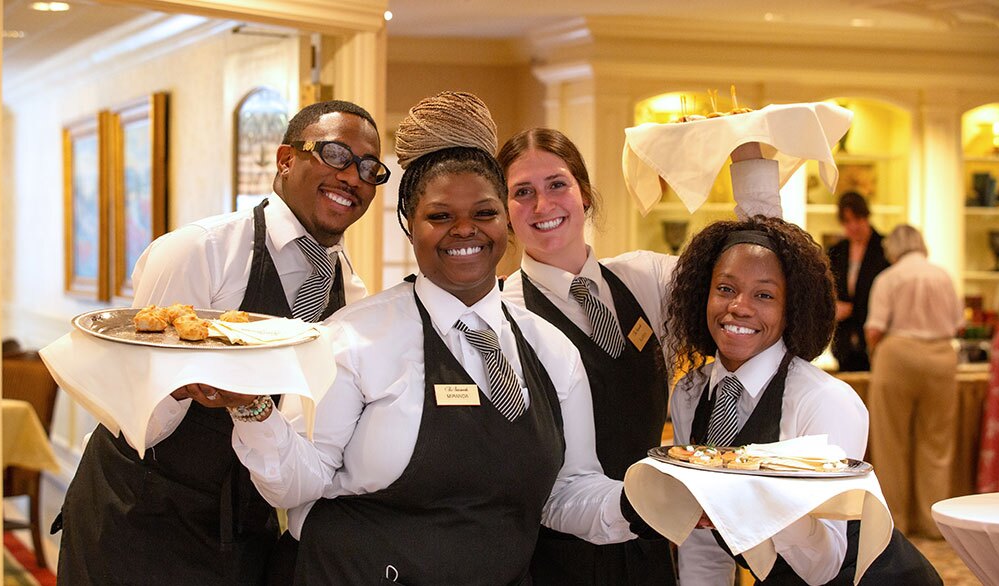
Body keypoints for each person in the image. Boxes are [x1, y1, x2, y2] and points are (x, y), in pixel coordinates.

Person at [197, 91, 648, 585]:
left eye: (484, 213)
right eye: (440, 216)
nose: (465, 230)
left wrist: (652, 501)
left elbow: (567, 493)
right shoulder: (353, 337)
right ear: (409, 227)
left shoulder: (552, 350)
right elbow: (296, 484)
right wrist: (253, 409)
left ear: (506, 221)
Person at [54, 100, 386, 584]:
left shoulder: (351, 293)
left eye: (370, 168)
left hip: (245, 529)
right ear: (286, 159)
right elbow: (133, 417)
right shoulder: (199, 251)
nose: (353, 177)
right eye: (335, 154)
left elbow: (309, 439)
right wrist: (176, 386)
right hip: (137, 520)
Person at [498, 128, 780, 584]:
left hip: (650, 548)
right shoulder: (505, 315)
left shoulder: (646, 279)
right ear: (506, 210)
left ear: (583, 193)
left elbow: (757, 267)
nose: (543, 205)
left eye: (556, 184)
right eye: (522, 192)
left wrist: (746, 152)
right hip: (554, 557)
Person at [667, 216, 941, 585]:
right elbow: (704, 544)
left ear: (791, 308)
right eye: (726, 288)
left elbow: (823, 564)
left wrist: (754, 498)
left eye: (764, 295)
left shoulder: (826, 401)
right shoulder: (690, 392)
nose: (739, 306)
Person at [865, 224, 962, 538]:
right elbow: (958, 325)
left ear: (893, 248)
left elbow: (875, 329)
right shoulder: (943, 276)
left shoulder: (889, 278)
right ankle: (933, 521)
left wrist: (875, 353)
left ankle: (896, 521)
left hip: (898, 354)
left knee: (891, 442)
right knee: (937, 442)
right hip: (942, 357)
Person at [828, 191, 889, 371]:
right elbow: (826, 289)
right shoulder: (837, 251)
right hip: (844, 343)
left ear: (866, 216)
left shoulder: (885, 248)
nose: (853, 226)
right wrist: (834, 307)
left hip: (877, 338)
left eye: (858, 219)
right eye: (847, 221)